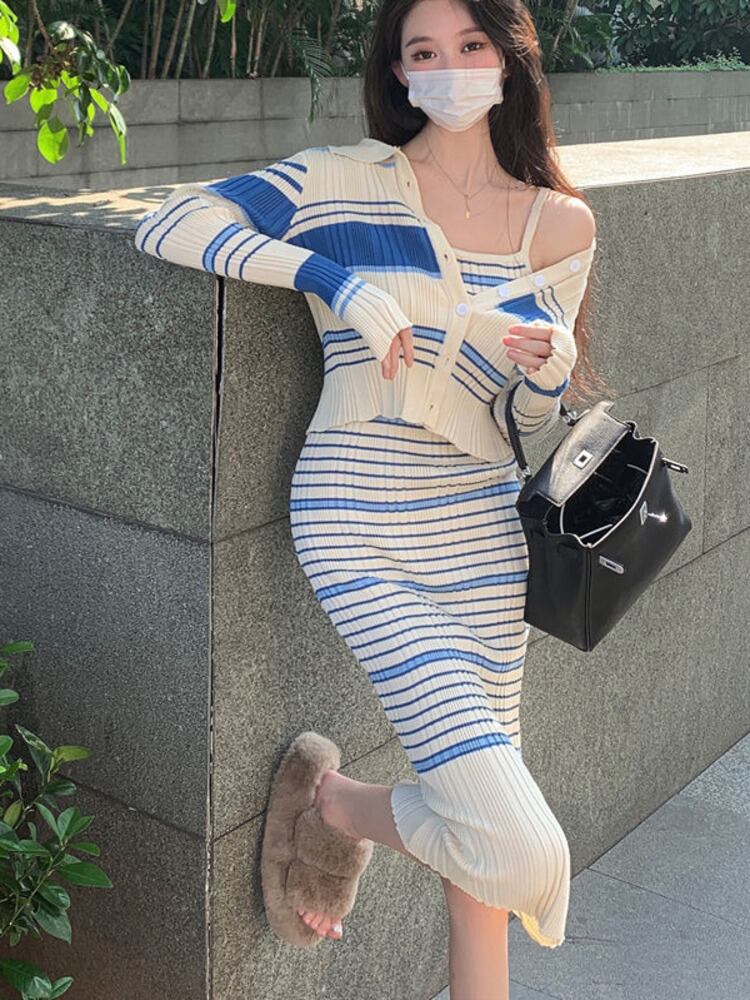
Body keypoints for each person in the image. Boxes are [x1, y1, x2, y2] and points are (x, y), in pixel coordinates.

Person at [134, 0, 598, 995]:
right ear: (397, 72)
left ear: (508, 60)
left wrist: (551, 372)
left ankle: (338, 805)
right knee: (520, 850)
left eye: (470, 45)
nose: (448, 66)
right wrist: (332, 279)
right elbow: (168, 221)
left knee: (481, 876)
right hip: (360, 524)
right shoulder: (336, 180)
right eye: (423, 51)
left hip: (485, 541)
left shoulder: (560, 223)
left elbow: (524, 419)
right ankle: (339, 805)